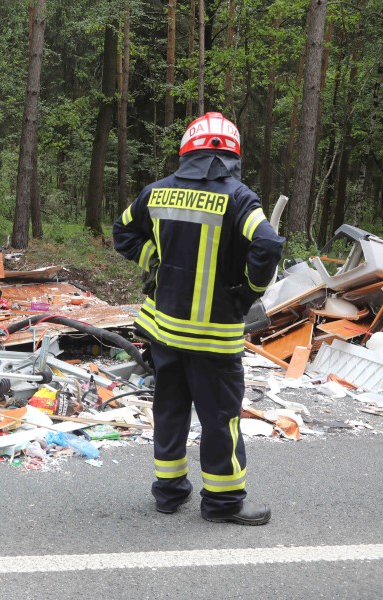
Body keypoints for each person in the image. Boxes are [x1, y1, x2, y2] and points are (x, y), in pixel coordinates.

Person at [112, 112, 284, 525]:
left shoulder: (156, 193)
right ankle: (223, 504)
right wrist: (247, 293)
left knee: (170, 410)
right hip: (212, 339)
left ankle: (168, 494)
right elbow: (268, 244)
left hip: (165, 331)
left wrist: (154, 263)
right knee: (220, 420)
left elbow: (123, 233)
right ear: (232, 155)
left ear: (188, 150)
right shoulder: (239, 198)